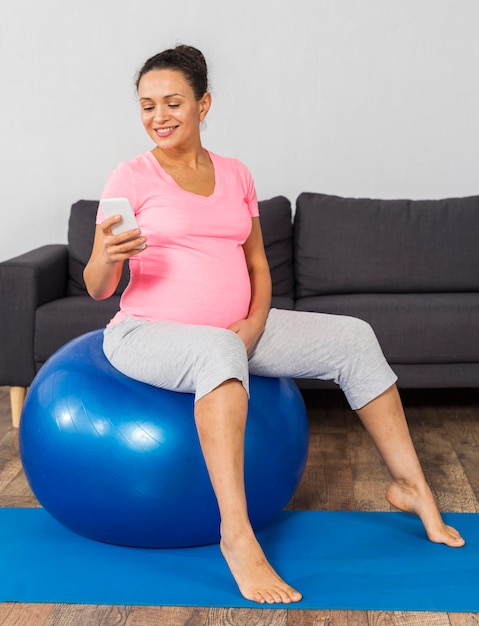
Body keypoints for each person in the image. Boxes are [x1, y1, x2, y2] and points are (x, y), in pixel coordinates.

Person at [84, 44, 464, 605]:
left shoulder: (236, 173)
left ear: (203, 103)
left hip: (238, 332)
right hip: (146, 334)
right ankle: (236, 536)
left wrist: (255, 324)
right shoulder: (131, 175)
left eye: (172, 103)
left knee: (353, 337)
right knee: (217, 352)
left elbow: (258, 265)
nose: (158, 117)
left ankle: (412, 487)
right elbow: (98, 288)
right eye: (146, 106)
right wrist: (110, 254)